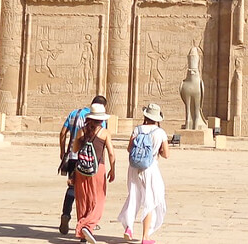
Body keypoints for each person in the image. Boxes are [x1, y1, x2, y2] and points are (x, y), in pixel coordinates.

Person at [119, 103, 169, 244]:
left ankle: (129, 227)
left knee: (134, 196)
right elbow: (166, 154)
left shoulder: (137, 130)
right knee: (151, 200)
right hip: (150, 168)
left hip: (134, 167)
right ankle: (145, 236)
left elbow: (129, 149)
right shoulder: (160, 133)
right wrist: (156, 150)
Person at [59, 95, 109, 235]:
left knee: (73, 189)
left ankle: (66, 214)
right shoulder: (99, 122)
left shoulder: (74, 114)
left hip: (74, 157)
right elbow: (100, 142)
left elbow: (63, 133)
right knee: (90, 193)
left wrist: (63, 152)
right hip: (92, 161)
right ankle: (87, 222)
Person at [72, 103, 116, 244]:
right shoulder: (104, 133)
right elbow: (110, 153)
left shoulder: (81, 131)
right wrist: (113, 169)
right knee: (98, 199)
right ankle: (88, 226)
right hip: (98, 169)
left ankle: (82, 233)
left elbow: (74, 150)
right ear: (101, 119)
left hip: (81, 169)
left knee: (82, 199)